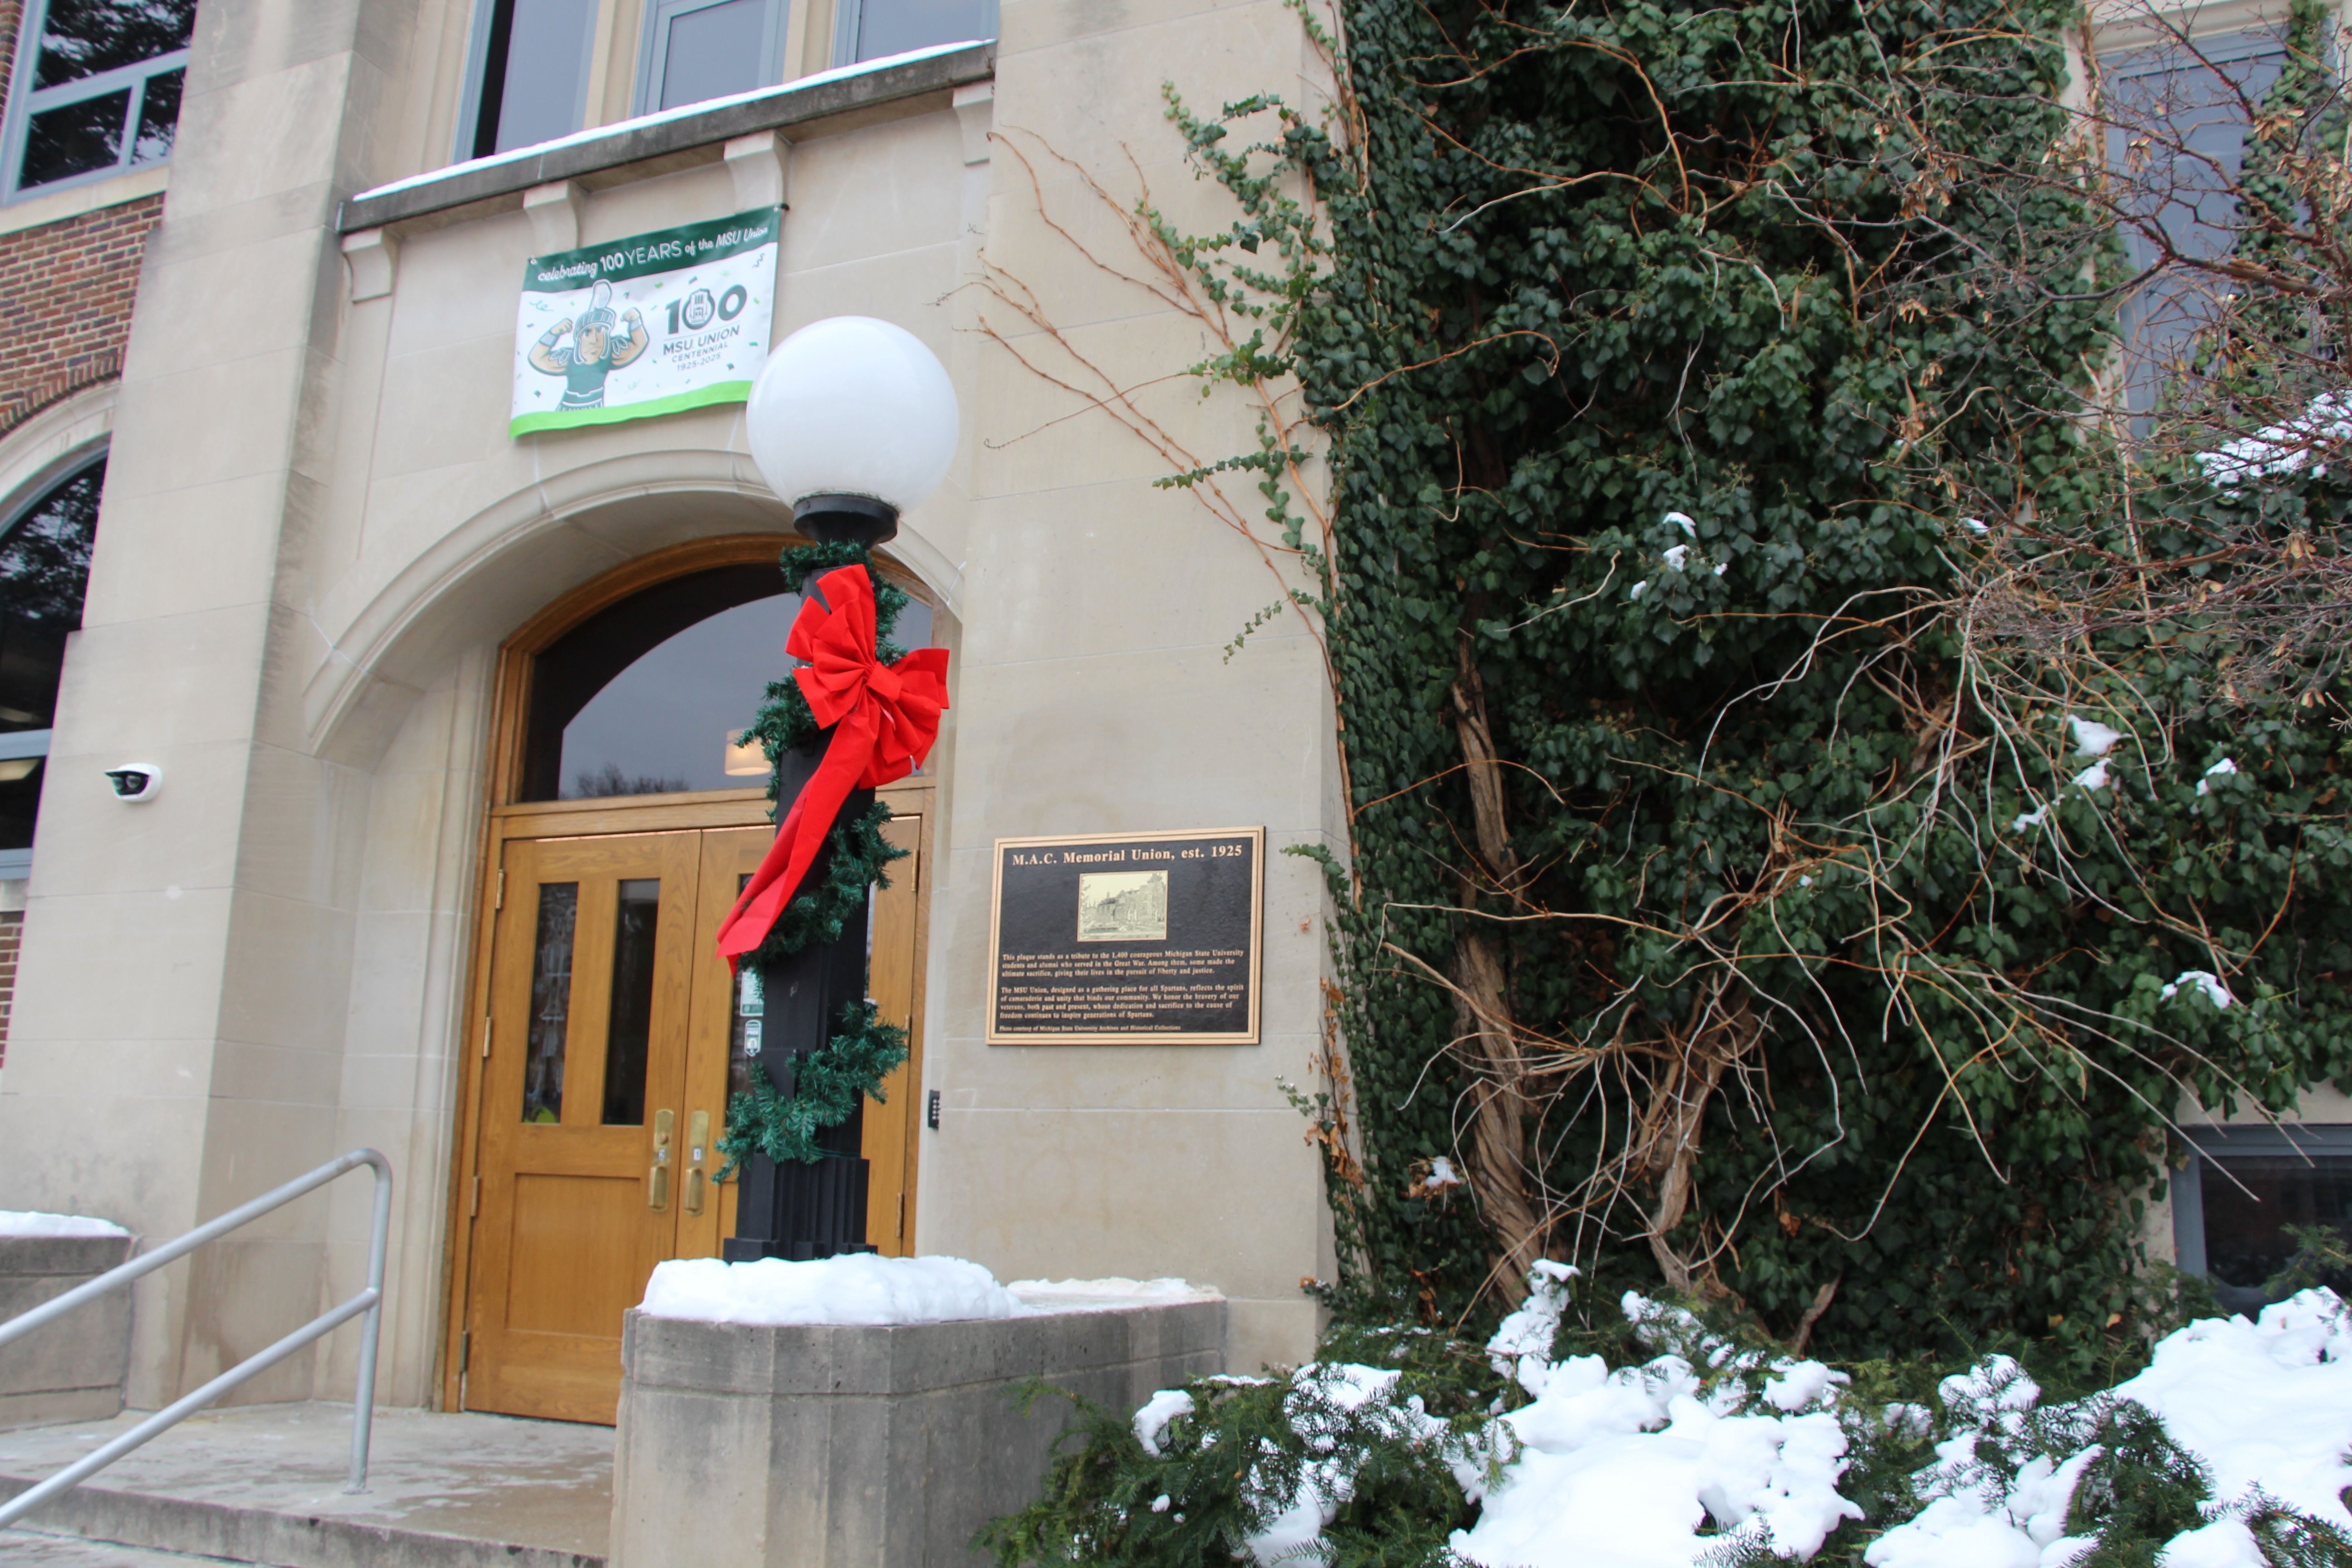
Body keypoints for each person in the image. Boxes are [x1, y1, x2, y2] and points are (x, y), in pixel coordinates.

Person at [527, 280, 648, 409]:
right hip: (569, 408)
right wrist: (553, 334)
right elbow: (537, 358)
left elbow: (639, 345)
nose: (594, 339)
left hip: (596, 407)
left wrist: (636, 322)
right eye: (587, 333)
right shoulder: (570, 359)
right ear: (579, 338)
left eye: (600, 331)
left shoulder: (610, 355)